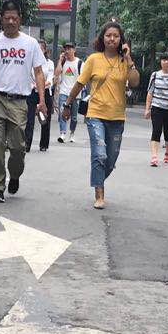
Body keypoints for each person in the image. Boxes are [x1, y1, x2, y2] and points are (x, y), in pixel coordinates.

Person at [0, 1, 46, 203]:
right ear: (1, 19)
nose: (11, 21)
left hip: (19, 103)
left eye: (14, 18)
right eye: (7, 18)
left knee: (17, 148)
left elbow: (39, 72)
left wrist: (42, 100)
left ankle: (14, 175)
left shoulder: (30, 44)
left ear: (20, 19)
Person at [66, 20, 139, 209]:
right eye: (108, 35)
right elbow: (80, 84)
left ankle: (98, 177)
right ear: (102, 38)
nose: (112, 39)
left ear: (121, 40)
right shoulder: (93, 59)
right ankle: (99, 194)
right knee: (99, 154)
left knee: (110, 159)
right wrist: (67, 104)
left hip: (117, 118)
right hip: (95, 114)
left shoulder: (125, 62)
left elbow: (135, 82)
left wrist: (129, 59)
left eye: (116, 36)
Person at [24, 41, 55, 152]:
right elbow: (27, 77)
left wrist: (39, 84)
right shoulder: (29, 62)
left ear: (44, 50)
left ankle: (44, 144)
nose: (38, 51)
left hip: (46, 92)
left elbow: (50, 80)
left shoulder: (49, 63)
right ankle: (27, 144)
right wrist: (33, 85)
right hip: (32, 92)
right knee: (29, 118)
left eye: (41, 49)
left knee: (45, 119)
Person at [53, 43, 80, 143]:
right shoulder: (63, 62)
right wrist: (60, 61)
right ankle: (62, 134)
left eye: (69, 48)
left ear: (74, 50)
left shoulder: (79, 62)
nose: (67, 51)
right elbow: (56, 74)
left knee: (73, 116)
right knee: (62, 113)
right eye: (65, 49)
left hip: (75, 93)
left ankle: (72, 133)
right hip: (63, 92)